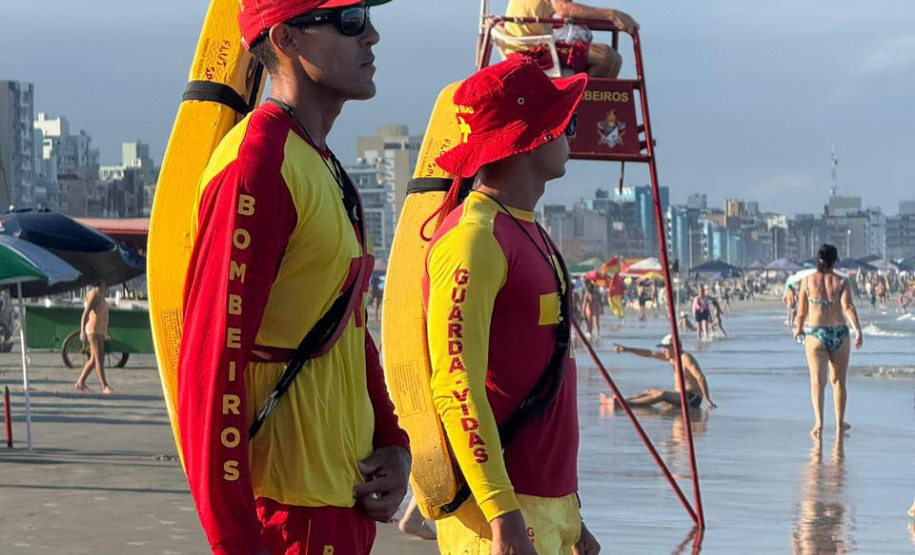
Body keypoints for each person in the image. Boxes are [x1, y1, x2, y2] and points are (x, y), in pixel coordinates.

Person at [176, 2, 410, 553]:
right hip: (287, 519)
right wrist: (236, 541)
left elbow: (347, 327)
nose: (372, 35)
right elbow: (210, 367)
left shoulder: (323, 164)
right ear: (286, 39)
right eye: (350, 21)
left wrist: (393, 444)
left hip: (341, 504)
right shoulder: (256, 165)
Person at [424, 57, 598, 554]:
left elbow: (544, 376)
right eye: (565, 122)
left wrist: (573, 515)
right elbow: (455, 381)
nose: (571, 133)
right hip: (502, 514)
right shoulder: (473, 238)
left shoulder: (526, 227)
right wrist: (503, 513)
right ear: (532, 137)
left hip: (547, 506)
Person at [794, 244, 863, 439]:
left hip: (816, 333)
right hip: (840, 333)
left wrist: (798, 328)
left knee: (817, 381)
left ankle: (819, 423)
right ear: (835, 261)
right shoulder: (842, 281)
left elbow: (801, 312)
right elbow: (848, 307)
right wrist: (858, 330)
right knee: (839, 382)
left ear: (818, 260)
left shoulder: (807, 281)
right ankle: (839, 425)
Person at [504, 0, 638, 77]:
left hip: (534, 46)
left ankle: (595, 111)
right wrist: (612, 14)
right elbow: (564, 9)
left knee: (615, 59)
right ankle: (583, 112)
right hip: (532, 52)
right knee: (605, 57)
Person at [607, 335, 716, 409]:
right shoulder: (672, 357)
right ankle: (624, 400)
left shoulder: (685, 358)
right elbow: (650, 353)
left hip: (692, 398)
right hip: (680, 395)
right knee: (650, 391)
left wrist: (707, 398)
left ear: (675, 347)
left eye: (666, 348)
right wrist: (627, 349)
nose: (663, 351)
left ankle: (627, 404)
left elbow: (700, 377)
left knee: (662, 394)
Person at [75, 282, 114, 395]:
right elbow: (85, 314)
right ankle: (104, 386)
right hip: (94, 330)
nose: (107, 286)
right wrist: (82, 331)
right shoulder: (95, 295)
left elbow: (103, 315)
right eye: (105, 284)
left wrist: (106, 332)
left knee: (93, 359)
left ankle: (80, 382)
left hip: (99, 330)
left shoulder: (100, 295)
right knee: (99, 358)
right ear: (99, 284)